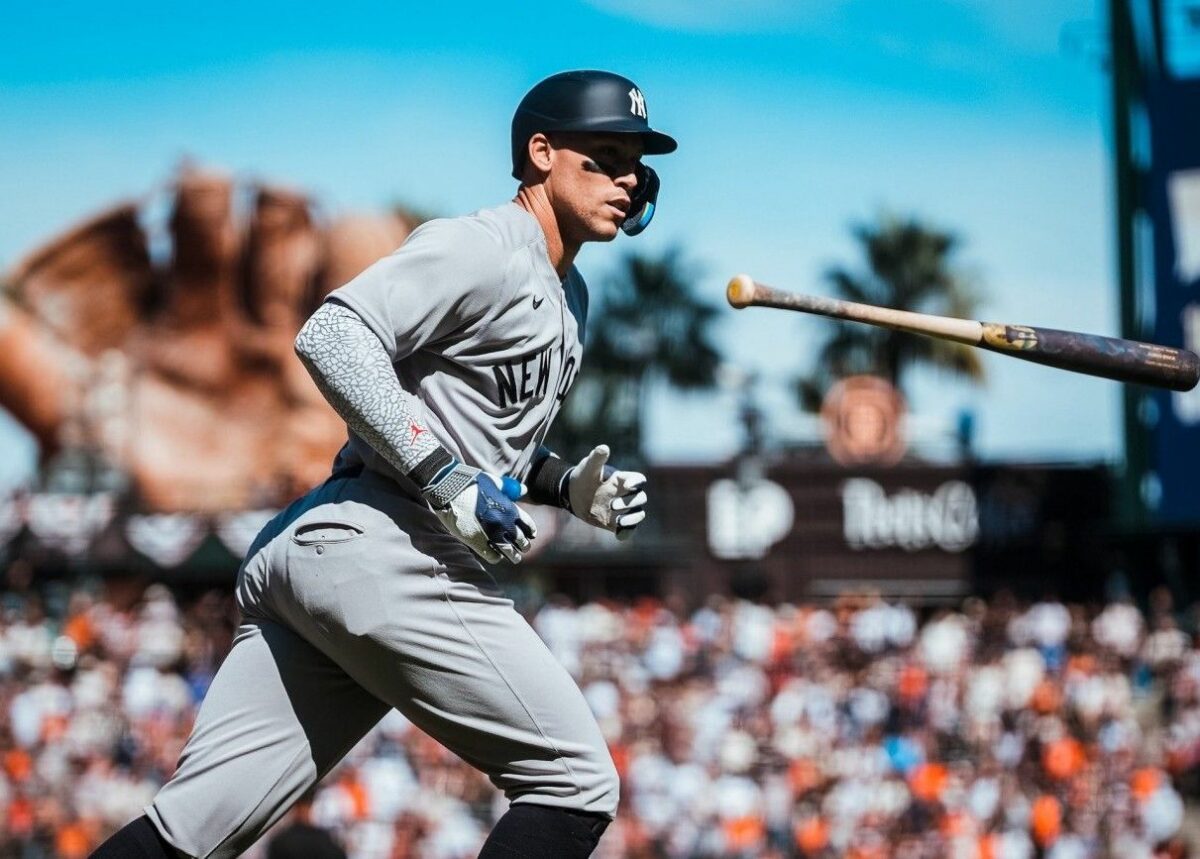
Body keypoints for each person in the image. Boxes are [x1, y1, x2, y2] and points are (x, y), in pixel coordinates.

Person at [90, 68, 675, 859]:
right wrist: (441, 474)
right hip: (387, 544)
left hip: (326, 548)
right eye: (603, 155)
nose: (627, 176)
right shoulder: (480, 247)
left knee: (189, 833)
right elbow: (332, 336)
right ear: (540, 152)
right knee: (575, 780)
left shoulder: (568, 294)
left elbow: (485, 438)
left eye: (636, 162)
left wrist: (565, 485)